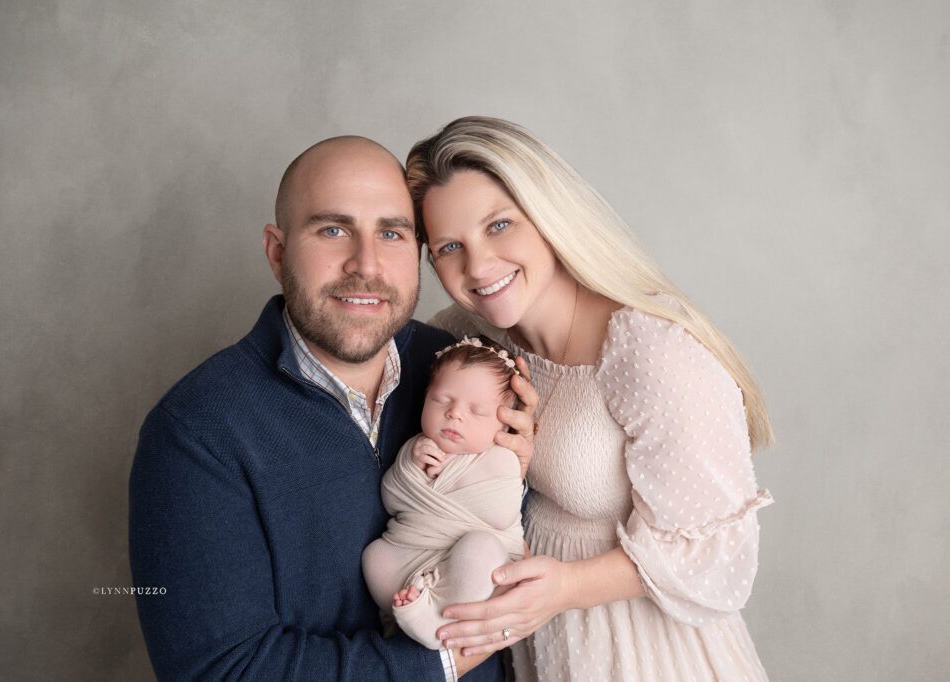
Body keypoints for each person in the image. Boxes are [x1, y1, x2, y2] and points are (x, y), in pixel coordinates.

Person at [128, 135, 537, 681]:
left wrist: (514, 469)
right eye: (333, 230)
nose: (366, 264)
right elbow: (221, 670)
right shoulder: (196, 431)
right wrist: (445, 658)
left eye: (391, 233)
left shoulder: (455, 370)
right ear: (277, 252)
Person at [404, 116, 775, 681]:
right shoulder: (464, 339)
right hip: (545, 647)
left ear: (548, 217)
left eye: (500, 225)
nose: (477, 266)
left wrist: (568, 587)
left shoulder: (649, 348)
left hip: (649, 653)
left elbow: (720, 551)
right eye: (450, 246)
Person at [363, 335, 527, 650]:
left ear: (504, 425)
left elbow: (499, 513)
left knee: (481, 549)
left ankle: (433, 625)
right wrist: (411, 467)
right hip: (414, 552)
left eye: (477, 410)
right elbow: (393, 499)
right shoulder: (416, 448)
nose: (455, 414)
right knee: (375, 557)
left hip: (469, 568)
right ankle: (416, 609)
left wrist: (437, 487)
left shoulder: (501, 459)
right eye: (441, 400)